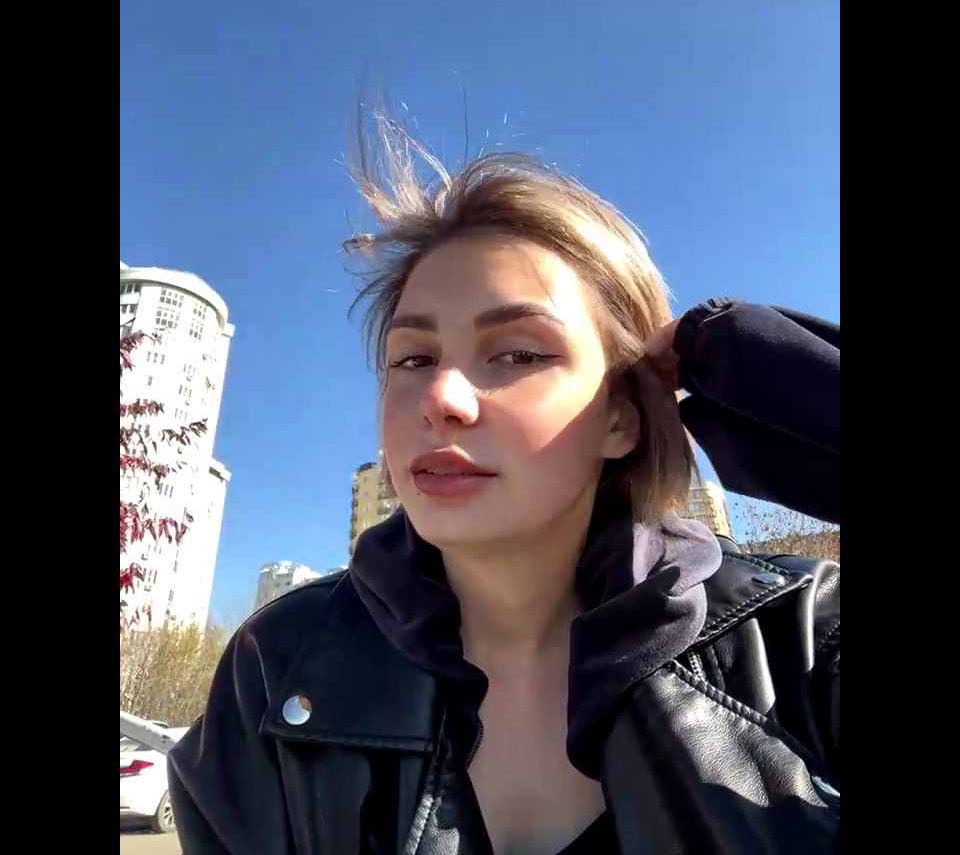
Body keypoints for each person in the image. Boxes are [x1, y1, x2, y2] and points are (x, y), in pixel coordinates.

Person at [169, 117, 840, 854]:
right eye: (413, 359)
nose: (440, 399)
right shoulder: (278, 667)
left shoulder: (804, 637)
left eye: (519, 353)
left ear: (622, 417)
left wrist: (781, 374)